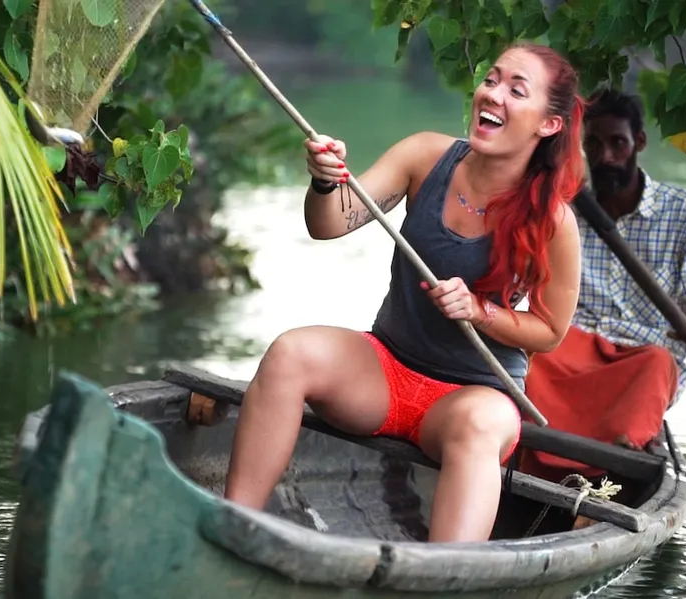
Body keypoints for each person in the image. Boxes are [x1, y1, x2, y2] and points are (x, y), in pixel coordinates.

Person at [223, 42, 585, 543]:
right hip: (386, 371)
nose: (493, 94)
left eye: (516, 90)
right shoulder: (425, 155)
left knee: (480, 427)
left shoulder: (554, 221)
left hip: (473, 398)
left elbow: (549, 331)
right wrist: (326, 183)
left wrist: (479, 311)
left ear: (548, 124)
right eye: (491, 79)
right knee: (291, 353)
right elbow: (328, 225)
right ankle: (231, 530)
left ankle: (444, 575)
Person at [520, 88, 686, 482]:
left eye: (618, 143)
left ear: (638, 142)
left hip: (641, 357)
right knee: (528, 351)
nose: (606, 156)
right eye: (594, 144)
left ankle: (616, 466)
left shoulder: (685, 214)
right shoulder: (563, 212)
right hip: (570, 347)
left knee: (659, 363)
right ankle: (526, 451)